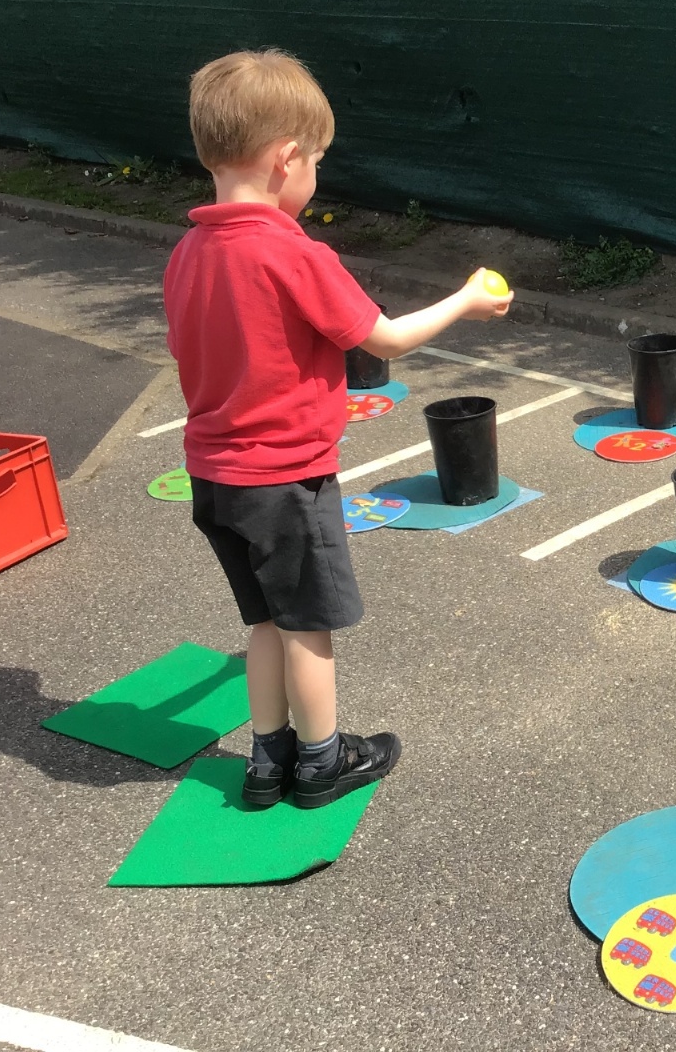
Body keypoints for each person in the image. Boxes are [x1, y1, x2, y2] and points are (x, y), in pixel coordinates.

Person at [164, 49, 512, 808]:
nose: (316, 175)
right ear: (286, 159)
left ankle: (267, 761)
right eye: (317, 161)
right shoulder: (294, 253)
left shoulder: (188, 253)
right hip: (286, 480)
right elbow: (384, 340)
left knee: (264, 620)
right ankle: (321, 762)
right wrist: (465, 301)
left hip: (214, 478)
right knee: (306, 629)